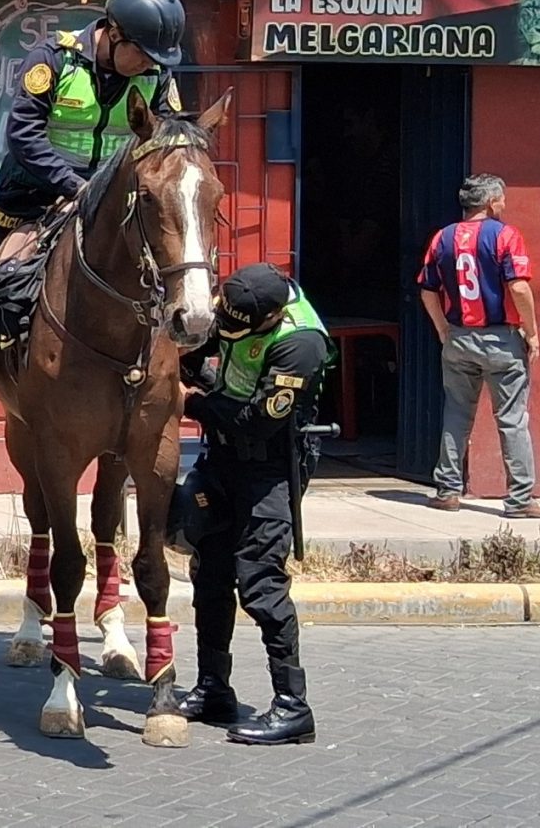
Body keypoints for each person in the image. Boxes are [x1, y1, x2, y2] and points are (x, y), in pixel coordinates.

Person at [0, 0, 189, 408]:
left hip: (116, 201)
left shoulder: (158, 77)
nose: (148, 64)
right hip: (37, 197)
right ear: (113, 34)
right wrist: (73, 185)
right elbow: (23, 134)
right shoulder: (53, 61)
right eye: (143, 53)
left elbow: (166, 141)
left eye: (156, 57)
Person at [177, 262, 327, 746]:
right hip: (222, 459)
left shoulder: (301, 343)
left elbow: (256, 420)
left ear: (271, 316)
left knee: (259, 579)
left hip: (268, 469)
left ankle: (292, 706)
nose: (228, 329)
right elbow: (209, 345)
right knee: (212, 571)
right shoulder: (242, 305)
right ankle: (213, 687)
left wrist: (190, 402)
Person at [417, 173, 540, 518]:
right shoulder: (505, 235)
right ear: (491, 202)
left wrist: (443, 329)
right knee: (511, 419)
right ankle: (519, 498)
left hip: (459, 337)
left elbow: (427, 289)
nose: (504, 205)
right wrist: (531, 332)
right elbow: (519, 288)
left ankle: (447, 490)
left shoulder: (442, 238)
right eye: (502, 199)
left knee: (457, 413)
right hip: (501, 340)